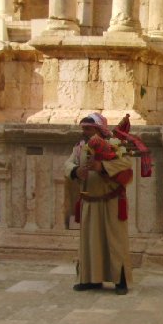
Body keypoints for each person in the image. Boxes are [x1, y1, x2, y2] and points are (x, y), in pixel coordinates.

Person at [64, 113, 133, 295]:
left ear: (98, 129)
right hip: (89, 202)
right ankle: (90, 280)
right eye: (84, 129)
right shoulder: (79, 148)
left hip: (111, 202)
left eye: (88, 128)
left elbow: (126, 163)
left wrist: (101, 167)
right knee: (90, 243)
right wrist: (76, 171)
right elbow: (67, 165)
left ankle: (120, 281)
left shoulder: (116, 145)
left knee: (115, 242)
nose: (85, 132)